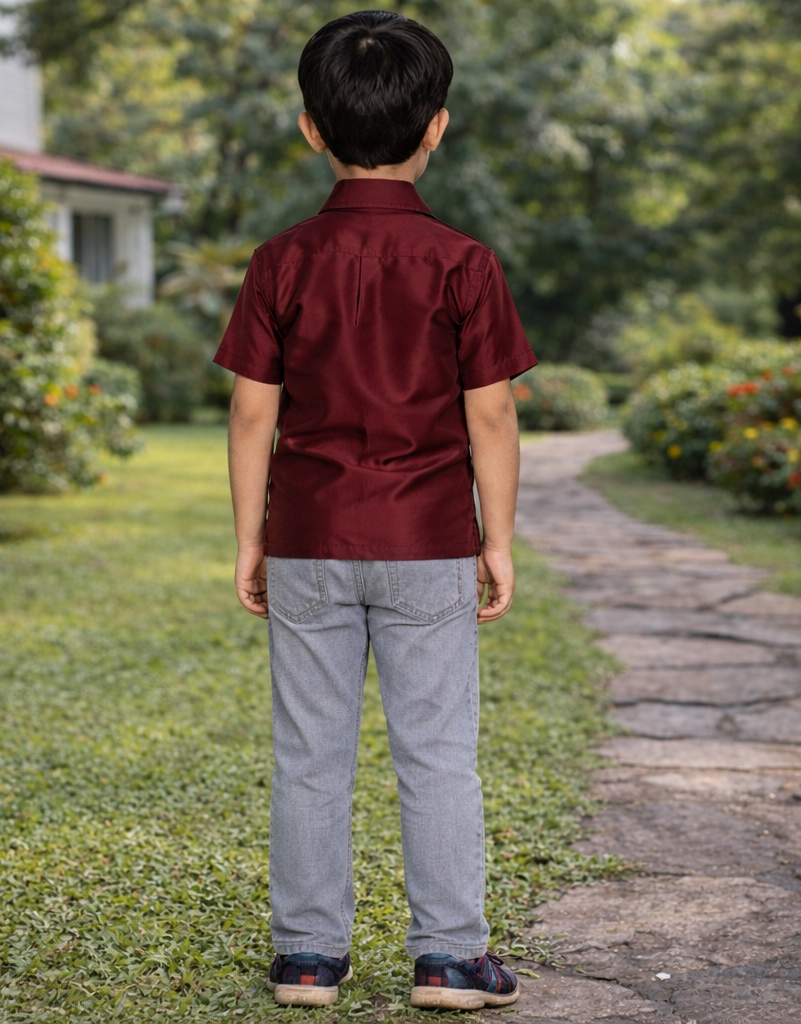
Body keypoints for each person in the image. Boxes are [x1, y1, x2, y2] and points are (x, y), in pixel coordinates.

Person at [214, 9, 537, 1011]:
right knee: (437, 754)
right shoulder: (465, 263)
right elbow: (490, 414)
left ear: (311, 128)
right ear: (436, 126)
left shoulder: (280, 261)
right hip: (428, 544)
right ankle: (449, 959)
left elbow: (249, 411)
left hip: (310, 539)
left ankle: (307, 957)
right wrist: (498, 540)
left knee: (308, 756)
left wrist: (249, 540)